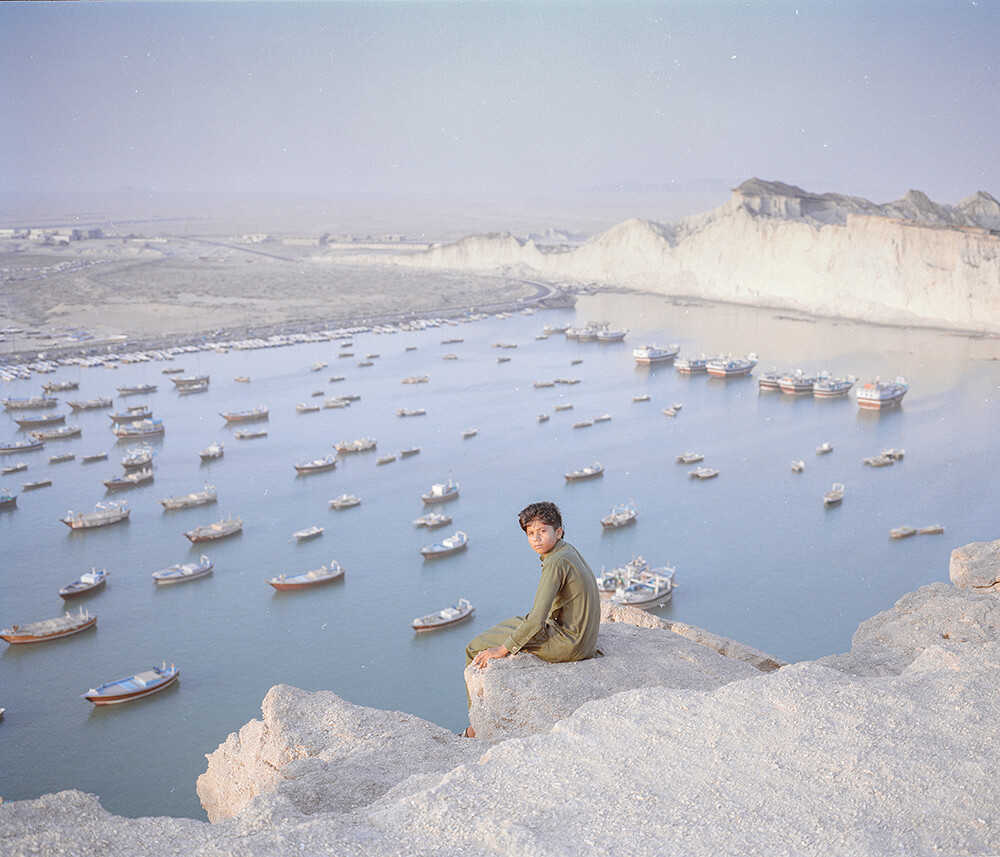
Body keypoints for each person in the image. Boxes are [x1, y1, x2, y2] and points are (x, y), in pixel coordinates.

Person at [461, 500, 600, 737]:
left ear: (558, 531)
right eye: (530, 533)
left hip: (569, 642)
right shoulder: (566, 550)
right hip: (583, 638)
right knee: (517, 621)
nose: (536, 538)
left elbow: (536, 619)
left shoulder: (555, 562)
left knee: (474, 647)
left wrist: (503, 650)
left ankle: (477, 725)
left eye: (542, 531)